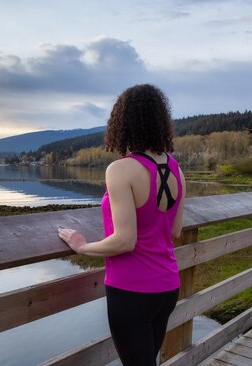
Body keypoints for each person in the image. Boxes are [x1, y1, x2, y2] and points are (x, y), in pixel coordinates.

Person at [57, 84, 185, 366]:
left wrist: (82, 245)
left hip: (132, 290)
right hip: (167, 287)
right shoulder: (175, 167)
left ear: (122, 122)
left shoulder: (121, 169)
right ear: (160, 120)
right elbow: (175, 232)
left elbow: (125, 240)